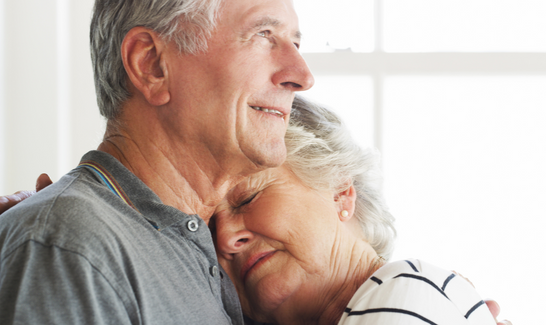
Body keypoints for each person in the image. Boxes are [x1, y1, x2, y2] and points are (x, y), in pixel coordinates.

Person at [0, 0, 313, 324]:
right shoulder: (69, 251)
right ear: (151, 65)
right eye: (263, 35)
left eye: (296, 43)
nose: (303, 76)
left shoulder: (212, 255)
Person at [211, 96, 501, 325]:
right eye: (208, 227)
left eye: (248, 198)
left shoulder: (405, 294)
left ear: (340, 191)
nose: (224, 238)